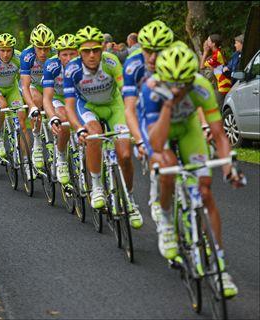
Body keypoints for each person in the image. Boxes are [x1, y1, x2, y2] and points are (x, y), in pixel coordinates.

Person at [142, 45, 245, 298]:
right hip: (161, 132)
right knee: (166, 168)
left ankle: (220, 268)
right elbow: (155, 143)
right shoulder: (152, 89)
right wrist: (168, 105)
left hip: (189, 130)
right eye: (173, 83)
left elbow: (219, 134)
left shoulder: (200, 86)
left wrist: (228, 168)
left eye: (184, 84)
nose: (179, 88)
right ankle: (166, 221)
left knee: (205, 191)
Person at [63, 25, 143, 228]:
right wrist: (79, 128)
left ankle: (130, 198)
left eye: (96, 50)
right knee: (95, 135)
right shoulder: (72, 69)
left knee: (124, 155)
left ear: (101, 49)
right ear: (80, 52)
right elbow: (70, 107)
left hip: (114, 106)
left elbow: (127, 92)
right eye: (86, 51)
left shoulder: (111, 61)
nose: (92, 55)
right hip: (88, 107)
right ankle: (97, 184)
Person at [122, 20, 174, 224]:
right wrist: (139, 140)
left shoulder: (177, 60)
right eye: (148, 51)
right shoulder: (133, 65)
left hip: (172, 110)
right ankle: (155, 196)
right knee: (158, 151)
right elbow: (129, 108)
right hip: (145, 112)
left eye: (159, 52)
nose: (152, 58)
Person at [42, 33, 79, 185]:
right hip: (58, 98)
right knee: (63, 118)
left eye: (72, 54)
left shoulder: (83, 65)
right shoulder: (52, 66)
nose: (69, 58)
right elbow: (47, 98)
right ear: (58, 55)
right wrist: (53, 117)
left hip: (77, 98)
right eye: (64, 55)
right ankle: (61, 156)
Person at [20, 23, 55, 169]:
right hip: (33, 85)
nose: (43, 52)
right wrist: (33, 107)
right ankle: (37, 141)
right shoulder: (26, 55)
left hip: (49, 84)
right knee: (36, 100)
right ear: (33, 45)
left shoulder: (55, 53)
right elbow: (25, 86)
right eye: (39, 47)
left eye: (46, 48)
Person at [0, 33, 23, 167]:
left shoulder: (19, 57)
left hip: (12, 88)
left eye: (9, 50)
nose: (6, 54)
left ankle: (24, 157)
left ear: (13, 49)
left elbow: (24, 79)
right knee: (1, 106)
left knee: (21, 116)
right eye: (2, 51)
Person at [200, 34, 232, 106]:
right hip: (222, 85)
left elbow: (202, 67)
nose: (206, 42)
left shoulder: (216, 56)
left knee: (217, 110)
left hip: (223, 86)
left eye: (208, 41)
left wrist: (205, 52)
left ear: (213, 44)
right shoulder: (217, 53)